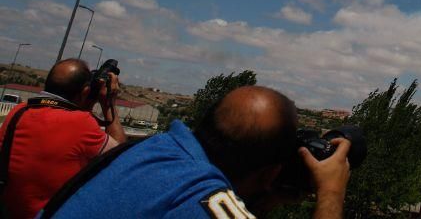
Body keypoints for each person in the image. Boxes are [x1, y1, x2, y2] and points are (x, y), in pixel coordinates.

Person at [45, 86, 351, 218]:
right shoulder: (204, 199)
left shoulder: (157, 149)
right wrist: (331, 193)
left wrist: (268, 198)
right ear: (271, 171)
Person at [0, 58, 124, 219]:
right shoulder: (81, 123)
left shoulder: (17, 112)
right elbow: (121, 157)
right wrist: (109, 103)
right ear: (86, 92)